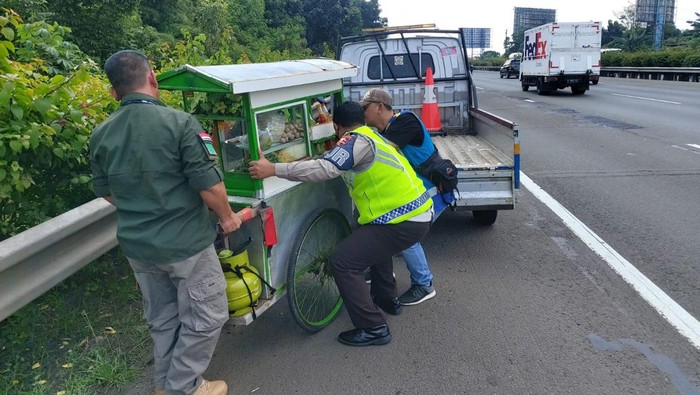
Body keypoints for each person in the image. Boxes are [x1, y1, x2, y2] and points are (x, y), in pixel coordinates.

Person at [89, 50, 241, 395]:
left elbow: (107, 192)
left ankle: (164, 385)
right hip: (185, 243)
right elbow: (211, 186)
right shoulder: (181, 123)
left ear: (114, 92)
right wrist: (227, 217)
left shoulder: (101, 133)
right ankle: (182, 389)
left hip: (138, 246)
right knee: (208, 315)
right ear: (153, 78)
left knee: (163, 318)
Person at [249, 101, 433, 347]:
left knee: (342, 262)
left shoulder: (354, 140)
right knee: (371, 242)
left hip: (402, 220)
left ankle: (373, 327)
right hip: (416, 214)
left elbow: (326, 169)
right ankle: (388, 300)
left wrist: (273, 168)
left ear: (336, 127)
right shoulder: (374, 136)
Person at [360, 88, 455, 306]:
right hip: (418, 189)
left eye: (365, 109)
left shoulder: (404, 123)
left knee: (405, 234)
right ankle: (382, 273)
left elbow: (379, 152)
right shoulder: (387, 129)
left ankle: (424, 284)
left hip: (433, 189)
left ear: (379, 107)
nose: (363, 113)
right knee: (383, 226)